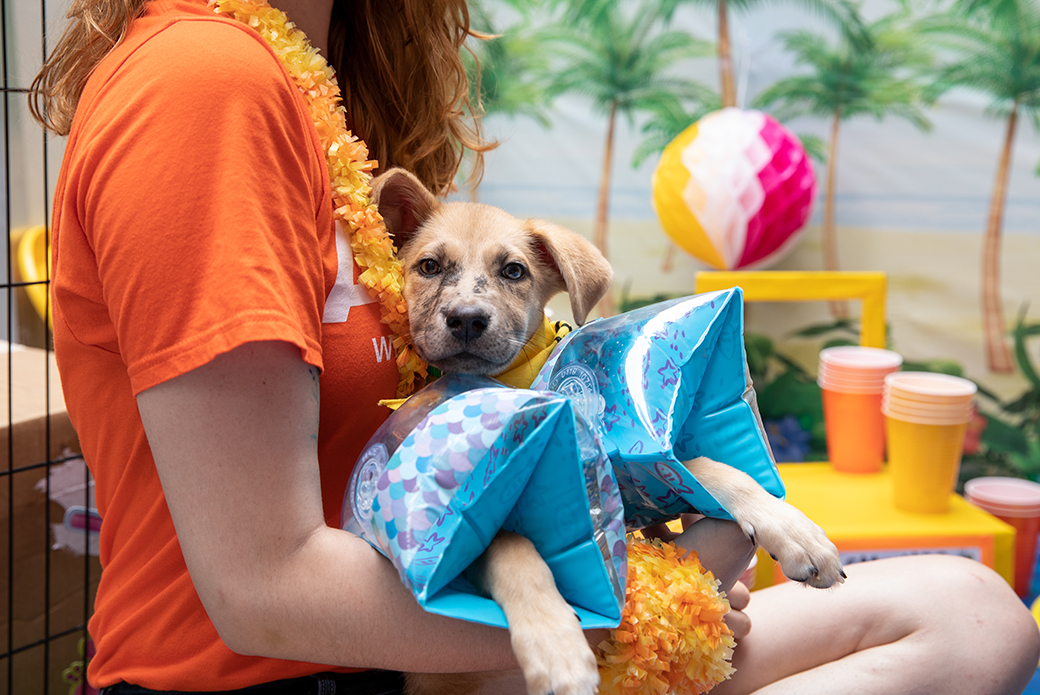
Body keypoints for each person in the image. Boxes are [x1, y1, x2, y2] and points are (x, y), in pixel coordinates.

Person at [30, 0, 1040, 692]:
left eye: (509, 276)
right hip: (296, 670)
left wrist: (669, 546)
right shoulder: (204, 83)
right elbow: (265, 590)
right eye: (434, 273)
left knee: (970, 609)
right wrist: (643, 613)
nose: (465, 301)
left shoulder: (316, 103)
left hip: (424, 634)